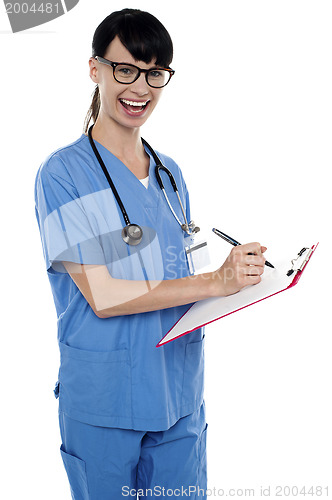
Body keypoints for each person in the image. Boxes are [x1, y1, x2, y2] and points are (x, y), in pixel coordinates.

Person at [34, 8, 267, 499]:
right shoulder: (63, 176)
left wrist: (247, 281)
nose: (140, 88)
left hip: (178, 396)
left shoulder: (169, 176)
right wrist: (214, 282)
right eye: (125, 70)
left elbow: (178, 278)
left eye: (154, 73)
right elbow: (105, 296)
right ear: (94, 69)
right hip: (104, 404)